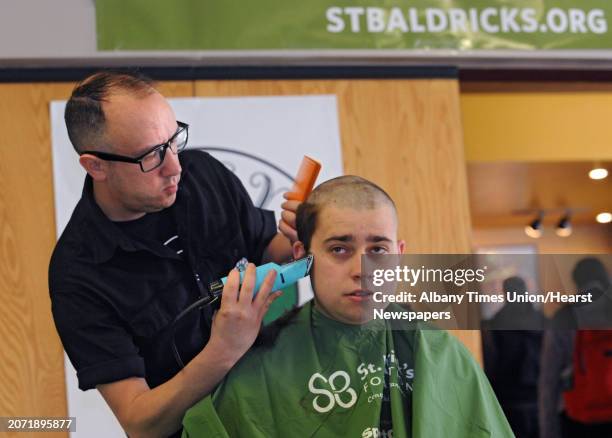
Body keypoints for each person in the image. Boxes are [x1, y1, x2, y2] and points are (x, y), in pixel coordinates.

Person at [48, 71, 298, 438]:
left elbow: (267, 251)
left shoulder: (203, 174)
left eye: (173, 140)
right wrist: (224, 350)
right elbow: (140, 422)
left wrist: (300, 239)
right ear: (95, 165)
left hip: (282, 407)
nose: (174, 167)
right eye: (151, 155)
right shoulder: (78, 274)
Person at [182, 175, 514, 437]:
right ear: (301, 255)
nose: (363, 270)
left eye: (378, 250)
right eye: (340, 249)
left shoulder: (443, 354)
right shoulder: (262, 367)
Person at [539, 257, 612, 438]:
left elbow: (549, 379)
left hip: (577, 417)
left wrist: (548, 431)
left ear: (576, 281)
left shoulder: (565, 316)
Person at [482, 276, 544, 438]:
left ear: (505, 293)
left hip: (508, 397)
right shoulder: (543, 320)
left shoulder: (494, 323)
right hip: (541, 394)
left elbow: (491, 362)